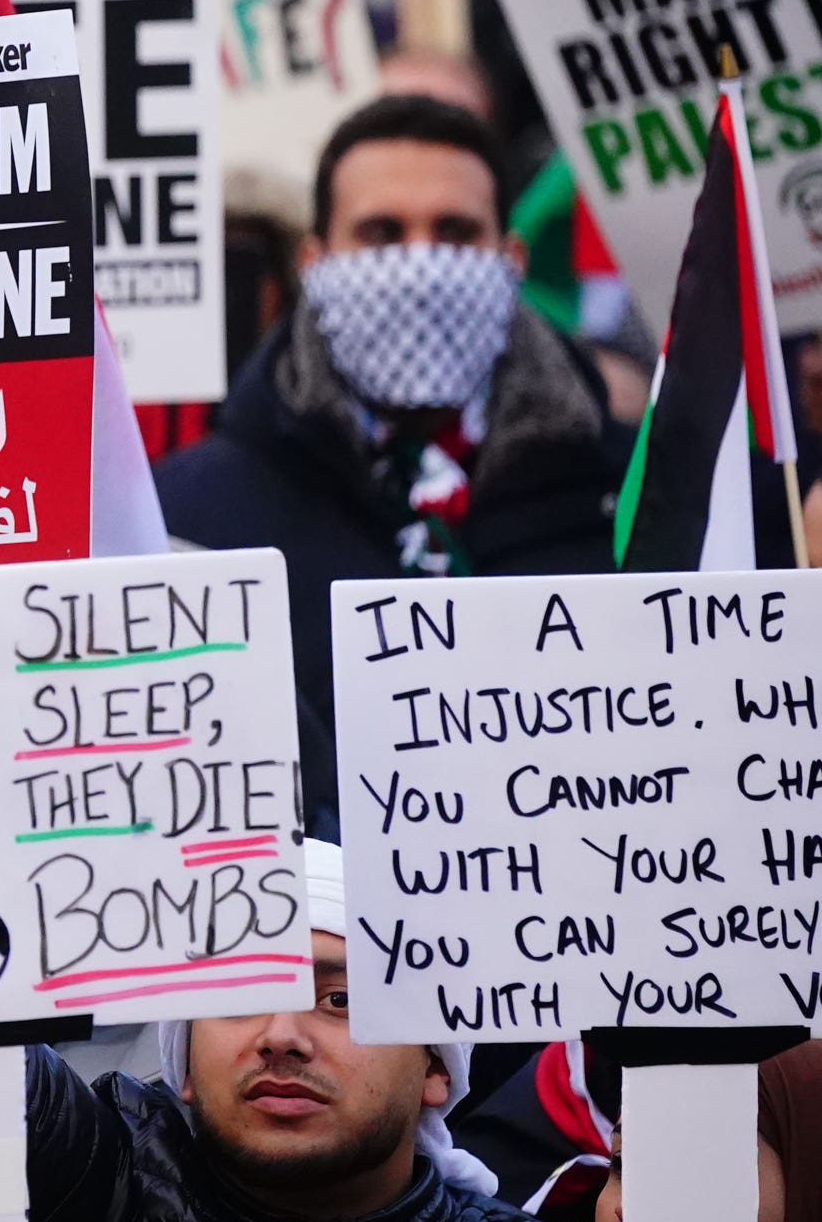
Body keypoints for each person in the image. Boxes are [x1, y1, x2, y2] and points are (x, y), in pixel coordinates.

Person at [154, 97, 629, 832]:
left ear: (511, 261)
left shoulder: (639, 492)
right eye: (381, 234)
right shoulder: (189, 521)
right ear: (315, 263)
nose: (418, 265)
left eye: (454, 232)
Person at [0, 840, 596, 1222]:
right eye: (240, 996)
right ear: (184, 1064)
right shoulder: (104, 1185)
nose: (281, 1036)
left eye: (340, 1002)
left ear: (438, 1068)